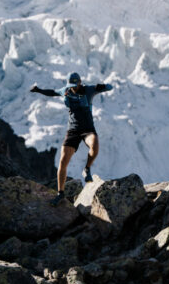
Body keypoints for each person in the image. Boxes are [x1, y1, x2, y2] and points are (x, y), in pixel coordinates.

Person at [30, 71, 113, 204]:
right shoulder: (66, 91)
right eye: (71, 86)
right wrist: (38, 90)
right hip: (73, 130)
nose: (73, 88)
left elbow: (110, 87)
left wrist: (101, 86)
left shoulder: (89, 90)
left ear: (80, 82)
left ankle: (87, 168)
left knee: (94, 146)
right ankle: (60, 194)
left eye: (75, 85)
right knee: (63, 161)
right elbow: (52, 92)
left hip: (87, 129)